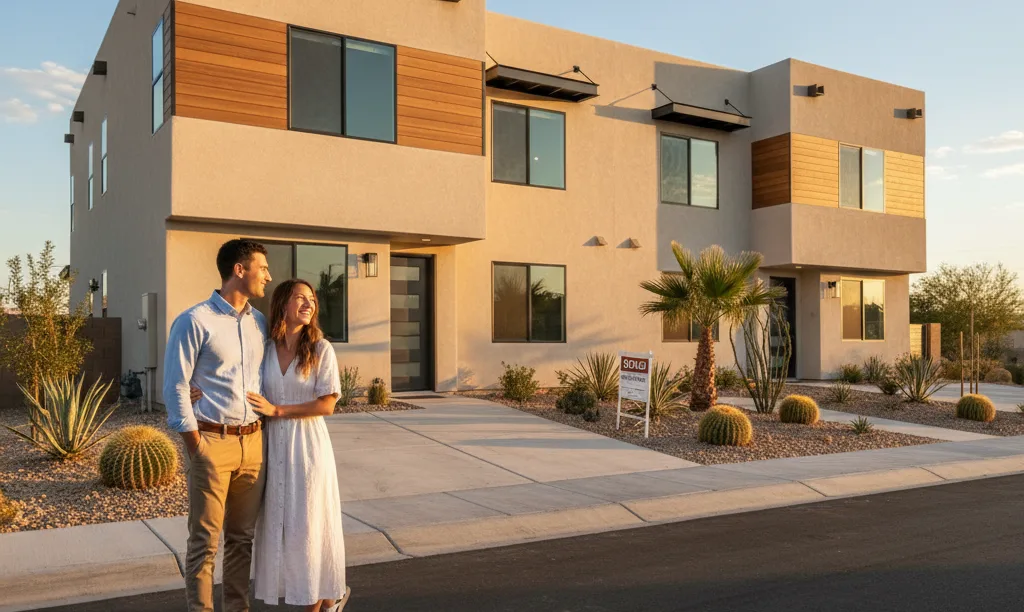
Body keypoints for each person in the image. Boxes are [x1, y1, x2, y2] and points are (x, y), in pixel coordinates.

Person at [193, 278, 350, 612]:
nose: (309, 305)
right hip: (271, 447)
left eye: (312, 299)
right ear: (283, 305)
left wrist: (279, 410)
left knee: (308, 526)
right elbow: (235, 377)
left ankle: (320, 600)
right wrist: (197, 389)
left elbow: (328, 404)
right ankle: (327, 602)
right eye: (300, 298)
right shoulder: (265, 346)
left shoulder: (320, 347)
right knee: (282, 528)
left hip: (307, 446)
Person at [163, 238, 272, 612]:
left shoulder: (259, 322)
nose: (268, 277)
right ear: (239, 270)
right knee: (205, 541)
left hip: (253, 443)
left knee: (242, 540)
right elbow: (176, 385)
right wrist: (195, 444)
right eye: (262, 269)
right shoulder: (194, 320)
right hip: (212, 441)